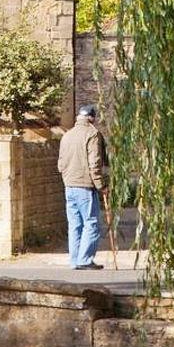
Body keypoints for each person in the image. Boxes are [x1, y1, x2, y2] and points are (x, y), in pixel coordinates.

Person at [59, 104, 109, 270]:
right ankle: (85, 259)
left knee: (75, 224)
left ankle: (75, 260)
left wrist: (67, 177)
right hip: (85, 186)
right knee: (91, 222)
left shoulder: (67, 135)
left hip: (69, 185)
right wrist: (101, 185)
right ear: (91, 118)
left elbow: (60, 164)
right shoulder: (92, 134)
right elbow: (94, 163)